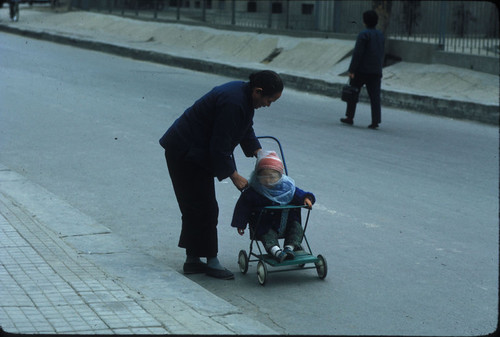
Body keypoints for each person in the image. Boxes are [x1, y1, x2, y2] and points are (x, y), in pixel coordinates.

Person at [159, 70, 284, 280]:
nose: (268, 105)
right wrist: (235, 176)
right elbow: (220, 146)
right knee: (204, 207)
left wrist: (258, 152)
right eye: (269, 100)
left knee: (196, 206)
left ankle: (192, 259)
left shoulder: (244, 96)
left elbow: (245, 127)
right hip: (185, 152)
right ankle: (210, 260)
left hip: (195, 151)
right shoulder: (234, 102)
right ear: (258, 91)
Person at [231, 151, 315, 262]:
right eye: (263, 176)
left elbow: (299, 194)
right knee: (267, 234)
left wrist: (306, 198)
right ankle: (277, 252)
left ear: (280, 176)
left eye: (272, 177)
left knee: (296, 228)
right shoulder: (254, 191)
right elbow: (242, 207)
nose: (268, 180)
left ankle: (289, 248)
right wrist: (240, 224)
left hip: (287, 221)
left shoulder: (286, 187)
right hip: (266, 224)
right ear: (257, 175)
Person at [341, 10, 385, 129]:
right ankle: (376, 121)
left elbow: (358, 54)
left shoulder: (363, 35)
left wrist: (352, 70)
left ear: (364, 21)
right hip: (376, 71)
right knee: (375, 96)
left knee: (353, 93)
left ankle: (350, 117)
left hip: (361, 70)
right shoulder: (381, 35)